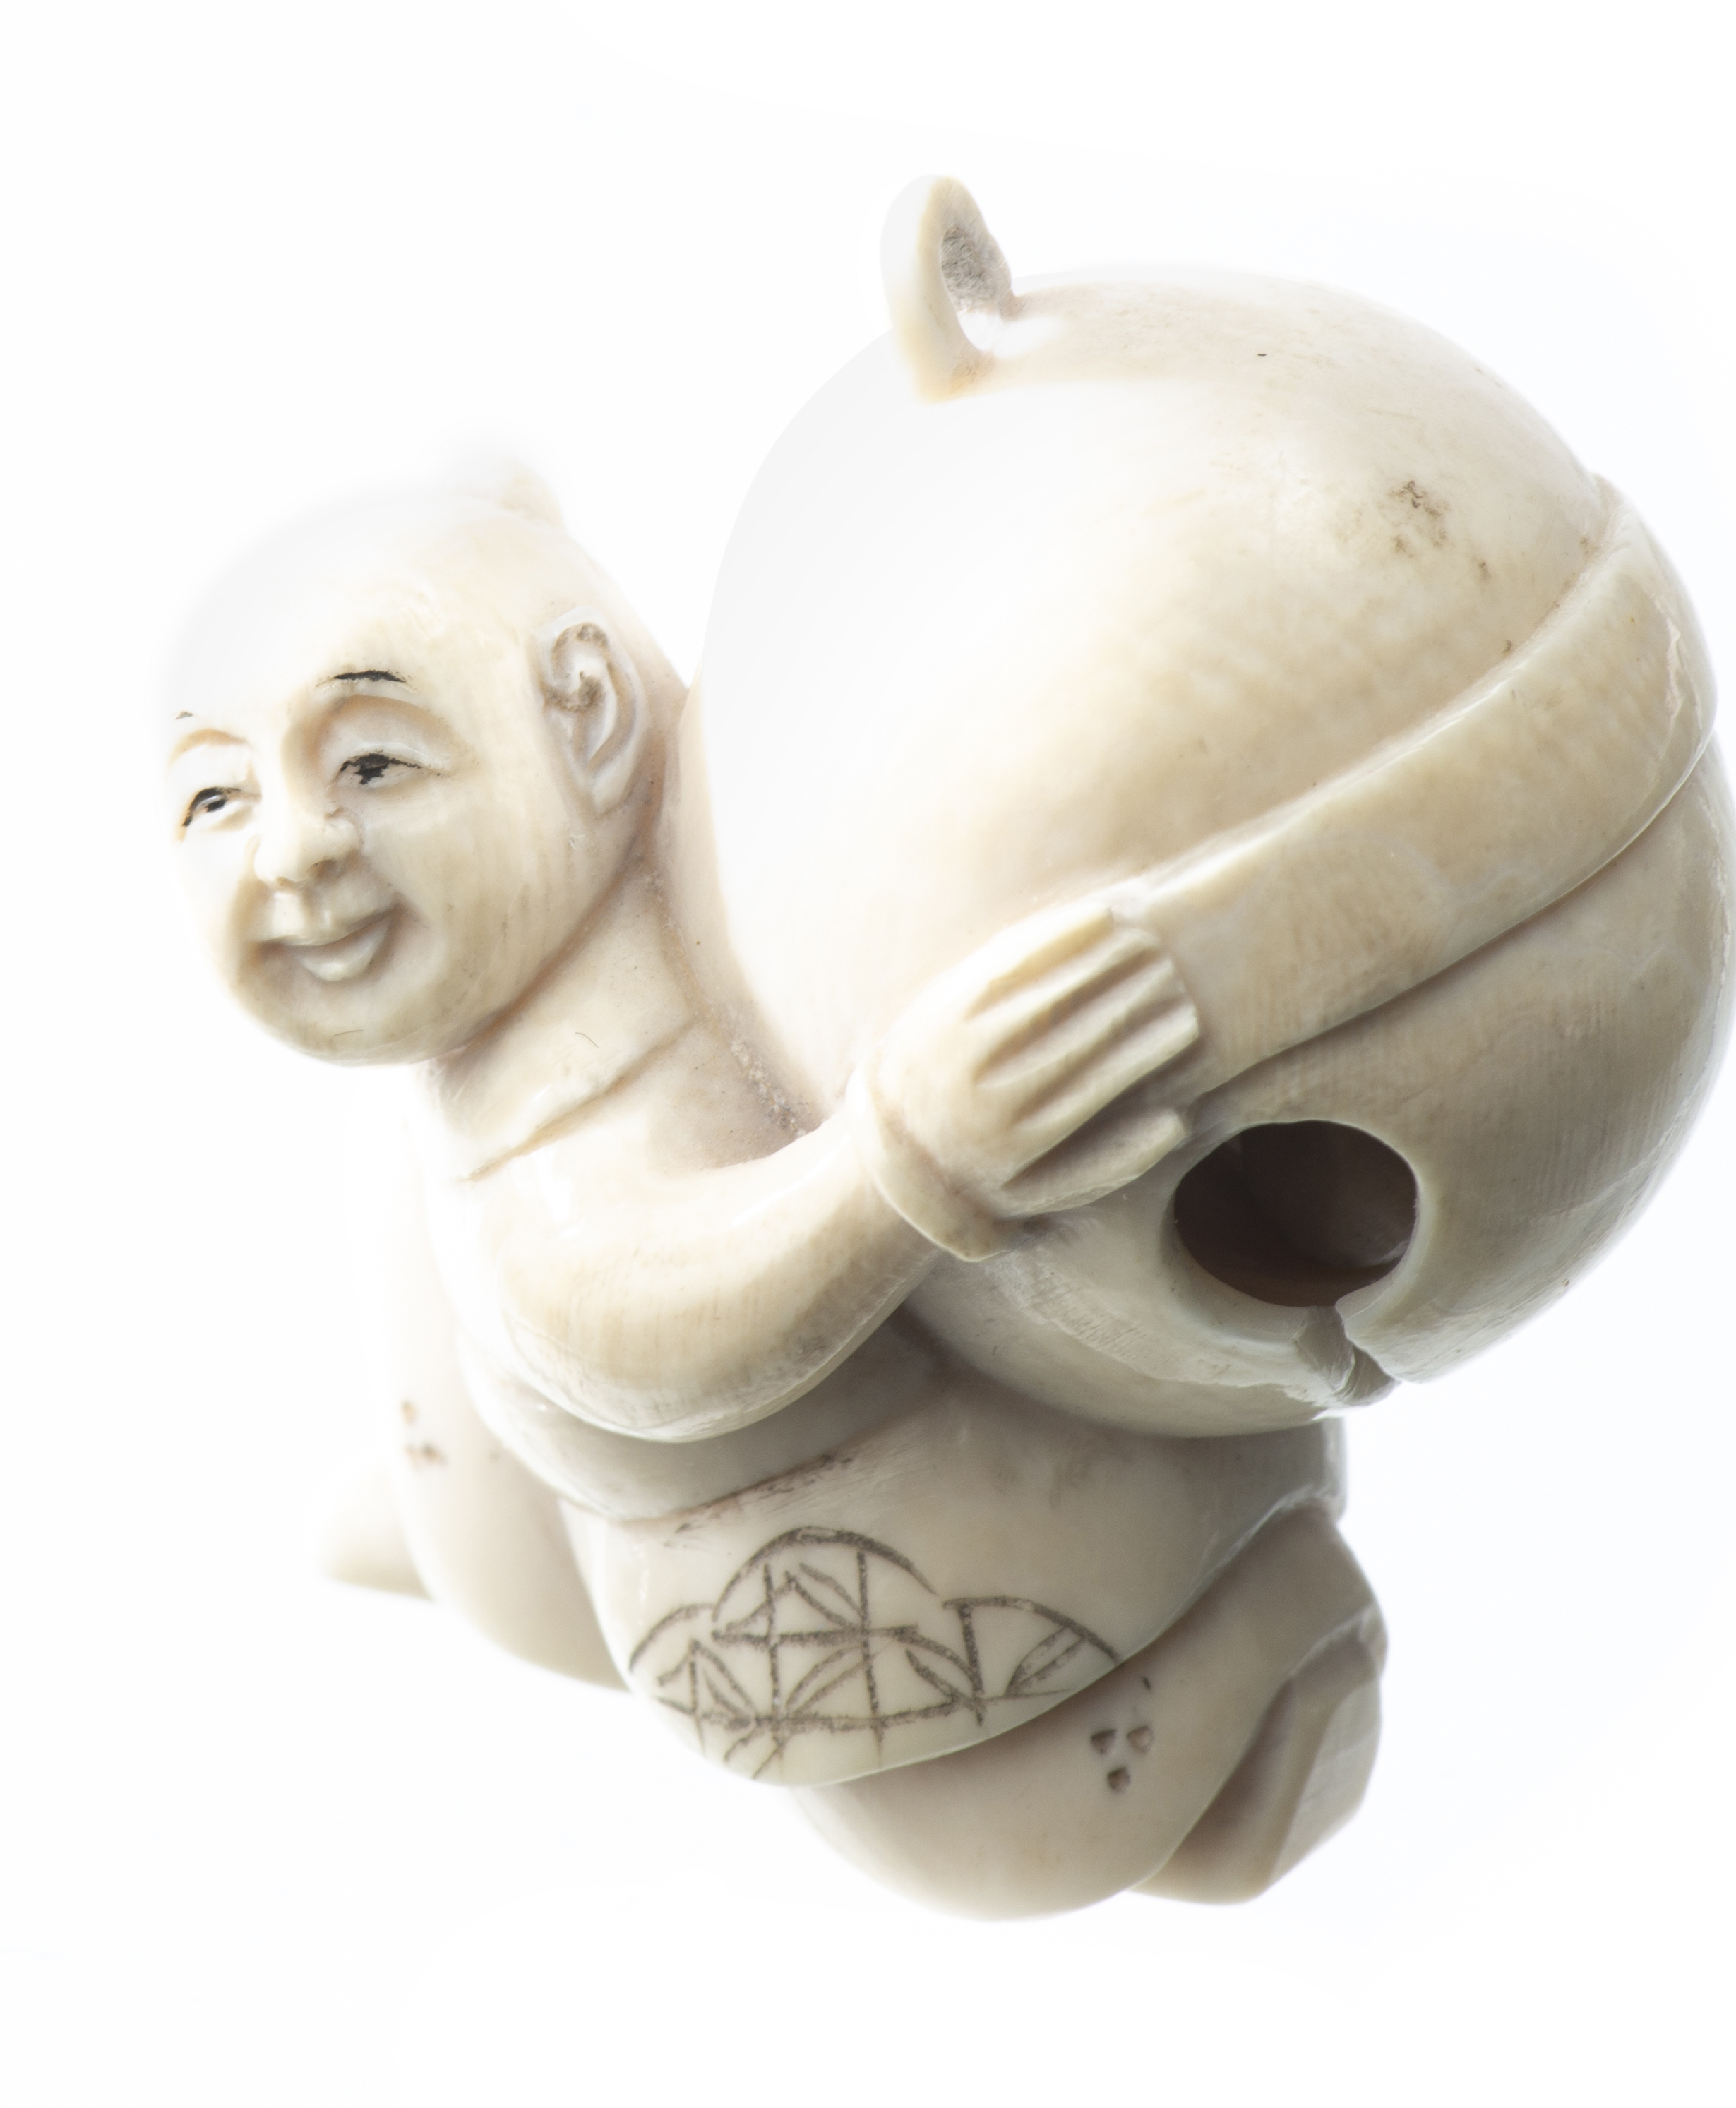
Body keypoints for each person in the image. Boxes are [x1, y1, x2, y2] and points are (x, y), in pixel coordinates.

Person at [164, 469, 1384, 1908]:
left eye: (372, 766)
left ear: (590, 716)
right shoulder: (528, 1134)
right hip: (879, 1646)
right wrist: (898, 1161)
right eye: (216, 797)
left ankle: (456, 1526)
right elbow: (617, 1319)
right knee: (1014, 1837)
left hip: (1114, 1465)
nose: (290, 850)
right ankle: (454, 1529)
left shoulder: (717, 838)